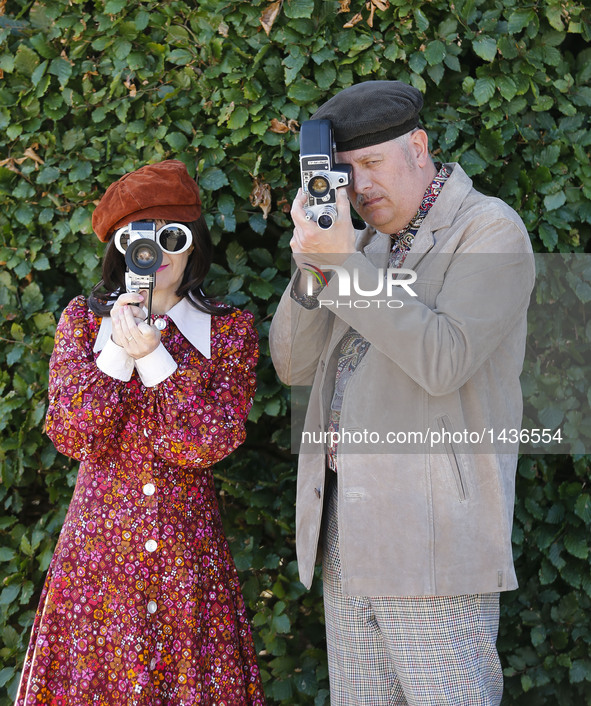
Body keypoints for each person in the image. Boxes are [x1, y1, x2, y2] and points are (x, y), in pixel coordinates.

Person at [269, 81, 535, 705]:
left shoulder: (490, 229)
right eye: (345, 173)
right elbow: (293, 362)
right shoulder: (358, 243)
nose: (358, 188)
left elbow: (445, 360)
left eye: (370, 164)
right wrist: (315, 264)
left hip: (435, 536)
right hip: (345, 529)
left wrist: (346, 268)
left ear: (418, 148)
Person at [16, 160, 266, 705]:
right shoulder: (83, 323)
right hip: (99, 564)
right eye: (139, 240)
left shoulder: (227, 330)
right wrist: (116, 352)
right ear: (118, 249)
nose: (156, 255)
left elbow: (208, 443)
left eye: (169, 237)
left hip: (186, 559)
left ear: (192, 244)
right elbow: (74, 437)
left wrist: (155, 359)